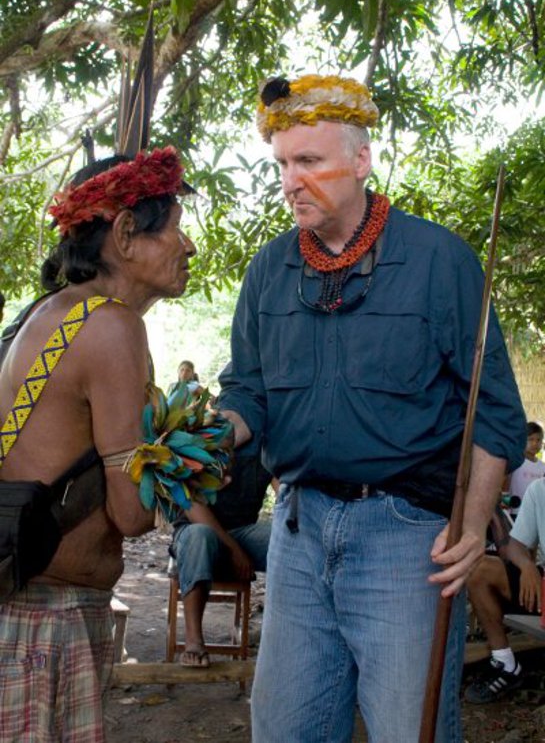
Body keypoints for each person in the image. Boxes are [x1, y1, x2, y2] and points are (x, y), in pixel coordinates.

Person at [217, 73, 527, 743]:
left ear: (360, 162)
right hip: (296, 535)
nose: (291, 181)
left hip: (406, 539)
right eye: (281, 165)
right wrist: (216, 432)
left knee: (404, 731)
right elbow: (247, 391)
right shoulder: (268, 270)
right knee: (284, 730)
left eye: (309, 162)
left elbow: (495, 412)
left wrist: (472, 527)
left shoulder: (438, 261)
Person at [0, 145, 196, 743]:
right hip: (47, 622)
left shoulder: (50, 313)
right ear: (126, 232)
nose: (187, 248)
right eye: (176, 232)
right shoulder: (112, 324)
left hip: (22, 606)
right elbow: (132, 514)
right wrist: (185, 457)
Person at [169, 444, 273, 666]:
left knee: (284, 537)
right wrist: (234, 550)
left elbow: (285, 488)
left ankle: (287, 638)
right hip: (194, 533)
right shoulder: (198, 437)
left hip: (243, 533)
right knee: (200, 535)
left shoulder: (264, 440)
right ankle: (194, 640)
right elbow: (190, 504)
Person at [465, 477, 544, 704]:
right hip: (542, 587)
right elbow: (516, 545)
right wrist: (527, 566)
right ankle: (505, 663)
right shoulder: (539, 489)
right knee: (479, 569)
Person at [507, 420, 544, 517]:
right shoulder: (515, 462)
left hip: (536, 514)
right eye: (530, 439)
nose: (535, 443)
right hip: (516, 512)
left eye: (538, 440)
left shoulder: (542, 467)